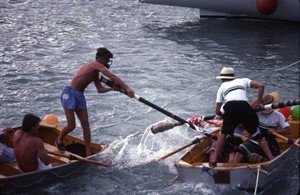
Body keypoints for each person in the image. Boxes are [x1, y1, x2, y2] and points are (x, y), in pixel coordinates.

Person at [56, 47, 135, 156]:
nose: (107, 63)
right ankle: (59, 140)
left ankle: (88, 152)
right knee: (71, 125)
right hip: (69, 94)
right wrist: (127, 88)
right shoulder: (95, 65)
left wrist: (112, 89)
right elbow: (111, 76)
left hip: (79, 96)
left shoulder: (95, 73)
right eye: (107, 60)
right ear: (100, 58)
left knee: (85, 124)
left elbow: (100, 89)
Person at [209, 67, 274, 167]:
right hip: (244, 107)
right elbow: (261, 85)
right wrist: (259, 101)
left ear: (222, 79)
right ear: (233, 76)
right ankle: (271, 158)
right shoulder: (243, 80)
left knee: (223, 135)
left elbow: (217, 111)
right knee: (258, 136)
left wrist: (225, 116)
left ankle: (214, 159)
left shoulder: (221, 87)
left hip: (229, 107)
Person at [235, 92, 290, 163]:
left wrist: (275, 132)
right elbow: (245, 111)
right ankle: (234, 166)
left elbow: (287, 130)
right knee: (241, 148)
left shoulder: (278, 116)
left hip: (269, 139)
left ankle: (265, 159)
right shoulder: (256, 112)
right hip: (255, 137)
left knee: (276, 158)